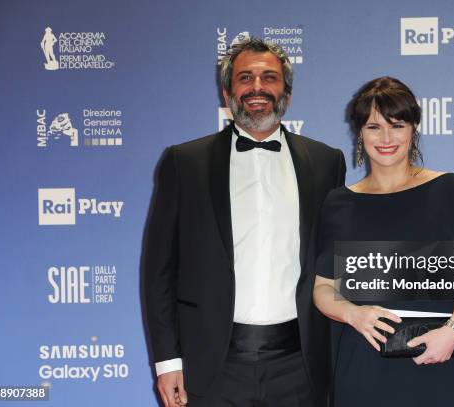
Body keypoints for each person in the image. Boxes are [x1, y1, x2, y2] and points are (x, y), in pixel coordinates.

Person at [143, 37, 346, 407]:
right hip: (211, 367)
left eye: (269, 77)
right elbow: (158, 271)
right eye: (245, 78)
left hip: (300, 367)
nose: (257, 88)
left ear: (287, 91)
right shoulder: (184, 162)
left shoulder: (326, 163)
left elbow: (335, 263)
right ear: (227, 92)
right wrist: (168, 361)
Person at [312, 76, 454, 406]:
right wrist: (352, 314)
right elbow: (323, 288)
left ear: (413, 128)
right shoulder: (338, 203)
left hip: (439, 360)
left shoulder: (447, 190)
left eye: (397, 125)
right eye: (373, 127)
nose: (386, 138)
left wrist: (452, 333)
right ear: (359, 133)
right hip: (364, 368)